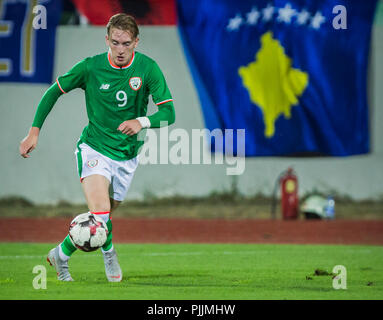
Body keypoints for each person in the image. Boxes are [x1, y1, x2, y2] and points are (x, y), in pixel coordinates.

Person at [19, 13, 175, 282]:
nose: (121, 50)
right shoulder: (90, 67)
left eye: (126, 43)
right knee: (101, 211)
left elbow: (169, 113)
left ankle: (60, 254)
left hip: (127, 156)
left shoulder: (148, 69)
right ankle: (109, 255)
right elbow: (53, 91)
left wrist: (141, 121)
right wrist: (34, 131)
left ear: (136, 42)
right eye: (115, 43)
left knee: (101, 218)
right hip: (94, 148)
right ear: (107, 40)